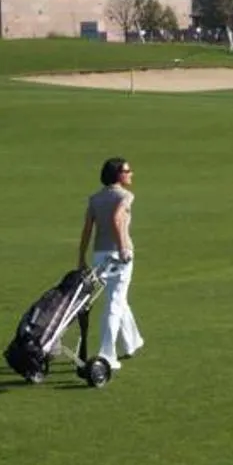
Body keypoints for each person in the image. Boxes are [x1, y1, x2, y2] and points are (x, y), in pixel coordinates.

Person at [77, 156, 143, 375]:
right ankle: (107, 354)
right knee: (115, 302)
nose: (131, 173)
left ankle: (132, 341)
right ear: (118, 175)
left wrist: (81, 257)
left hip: (99, 255)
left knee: (118, 297)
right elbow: (117, 219)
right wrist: (123, 246)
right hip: (119, 256)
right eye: (127, 170)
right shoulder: (125, 196)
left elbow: (87, 229)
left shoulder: (95, 199)